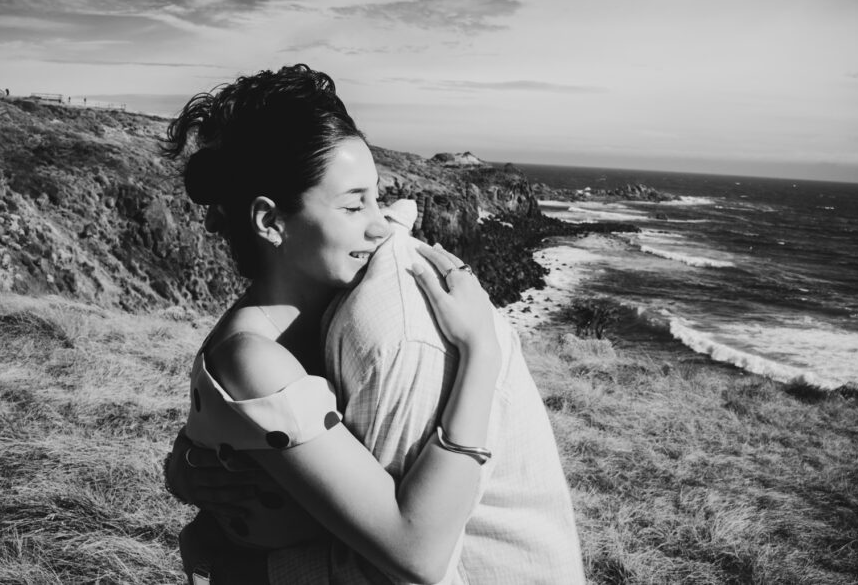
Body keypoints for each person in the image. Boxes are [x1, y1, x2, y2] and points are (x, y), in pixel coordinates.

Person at [166, 65, 586, 583]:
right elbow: (417, 554)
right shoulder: (254, 357)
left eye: (376, 196)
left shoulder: (309, 316)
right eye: (353, 204)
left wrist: (184, 468)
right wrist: (481, 355)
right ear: (271, 222)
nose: (379, 223)